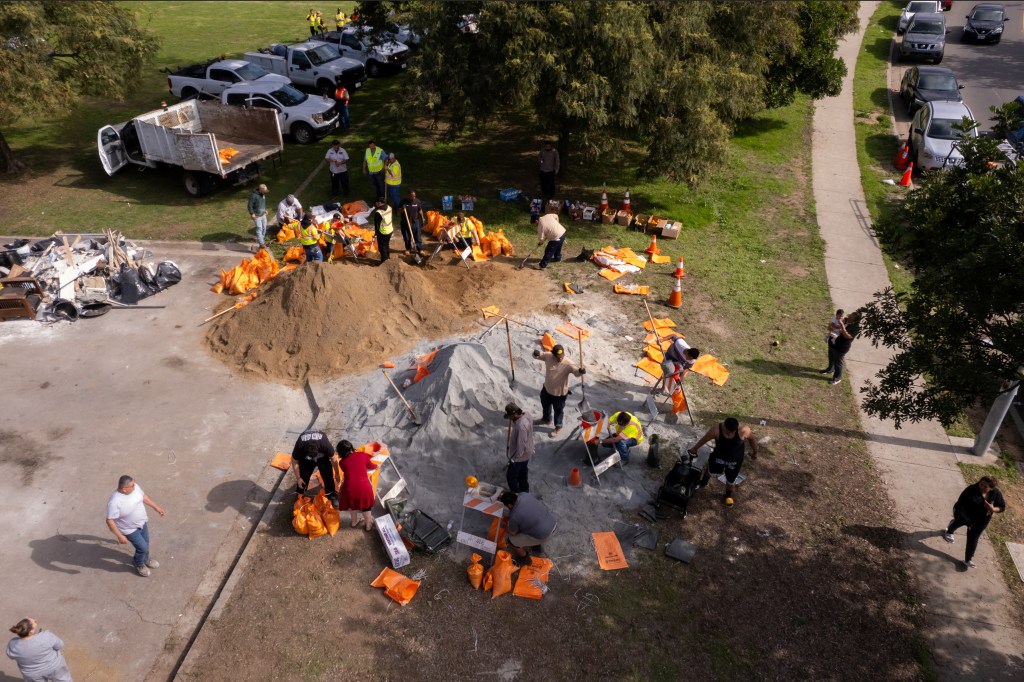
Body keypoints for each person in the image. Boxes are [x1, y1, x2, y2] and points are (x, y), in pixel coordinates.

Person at [688, 417, 758, 506]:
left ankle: (728, 495)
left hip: (734, 461)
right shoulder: (716, 430)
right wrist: (694, 449)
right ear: (724, 426)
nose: (729, 434)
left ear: (736, 429)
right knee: (710, 471)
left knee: (731, 479)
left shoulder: (744, 430)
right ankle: (703, 482)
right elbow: (705, 439)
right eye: (727, 432)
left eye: (731, 432)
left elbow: (752, 439)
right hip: (718, 457)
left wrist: (755, 452)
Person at [105, 475, 165, 577]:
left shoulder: (135, 488)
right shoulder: (115, 502)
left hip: (142, 523)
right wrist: (119, 536)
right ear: (124, 489)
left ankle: (145, 559)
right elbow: (109, 520)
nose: (135, 486)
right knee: (143, 548)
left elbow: (143, 497)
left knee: (146, 544)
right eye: (132, 486)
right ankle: (139, 563)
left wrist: (156, 507)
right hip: (129, 529)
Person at [943, 476, 1006, 569]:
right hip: (963, 514)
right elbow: (960, 505)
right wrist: (967, 521)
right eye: (981, 484)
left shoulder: (996, 493)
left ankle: (968, 559)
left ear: (991, 488)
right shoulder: (971, 490)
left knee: (973, 537)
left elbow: (1002, 507)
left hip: (982, 520)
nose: (982, 487)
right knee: (958, 523)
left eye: (985, 487)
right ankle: (949, 531)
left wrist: (993, 509)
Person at [531, 344, 584, 438]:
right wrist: (536, 354)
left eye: (561, 356)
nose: (560, 358)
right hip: (547, 389)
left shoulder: (568, 363)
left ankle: (558, 426)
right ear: (553, 354)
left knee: (558, 411)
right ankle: (546, 419)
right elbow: (538, 356)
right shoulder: (548, 356)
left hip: (559, 394)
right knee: (545, 405)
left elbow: (576, 372)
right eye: (558, 357)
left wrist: (580, 371)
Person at [499, 491, 555, 566]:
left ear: (509, 505)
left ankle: (525, 559)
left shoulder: (514, 516)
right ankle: (537, 547)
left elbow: (513, 532)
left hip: (544, 535)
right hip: (552, 523)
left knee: (511, 541)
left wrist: (504, 525)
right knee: (528, 524)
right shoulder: (524, 495)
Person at [6, 618, 72, 682]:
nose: (35, 620)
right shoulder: (46, 636)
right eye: (34, 621)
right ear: (31, 631)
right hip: (55, 667)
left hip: (32, 674)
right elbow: (60, 645)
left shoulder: (12, 644)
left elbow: (10, 656)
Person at [291, 428, 339, 508]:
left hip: (322, 456)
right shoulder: (300, 445)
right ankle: (299, 494)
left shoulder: (324, 444)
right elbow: (294, 461)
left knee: (327, 475)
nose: (314, 459)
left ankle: (331, 494)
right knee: (304, 475)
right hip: (307, 459)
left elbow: (334, 459)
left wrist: (337, 474)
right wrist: (298, 478)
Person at [336, 440, 377, 531]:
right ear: (351, 447)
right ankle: (368, 524)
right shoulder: (362, 455)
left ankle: (354, 521)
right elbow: (371, 466)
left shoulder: (342, 462)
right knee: (366, 506)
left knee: (352, 505)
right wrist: (376, 466)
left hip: (349, 489)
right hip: (364, 487)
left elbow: (348, 469)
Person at [504, 402, 535, 494]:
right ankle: (525, 491)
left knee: (511, 476)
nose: (510, 418)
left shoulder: (521, 426)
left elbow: (521, 446)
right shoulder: (527, 415)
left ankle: (516, 493)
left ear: (514, 414)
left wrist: (514, 459)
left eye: (510, 416)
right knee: (523, 472)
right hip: (527, 452)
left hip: (520, 456)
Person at [824, 311, 861, 385]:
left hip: (842, 346)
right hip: (835, 341)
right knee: (831, 356)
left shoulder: (856, 328)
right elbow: (836, 324)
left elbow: (848, 336)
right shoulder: (846, 320)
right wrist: (832, 325)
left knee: (838, 362)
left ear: (855, 320)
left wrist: (842, 326)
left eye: (851, 317)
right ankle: (830, 369)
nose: (849, 317)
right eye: (850, 315)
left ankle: (837, 378)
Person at [398, 191, 425, 255]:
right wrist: (402, 209)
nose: (414, 197)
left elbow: (420, 210)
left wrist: (423, 217)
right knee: (407, 237)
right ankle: (408, 249)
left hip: (415, 222)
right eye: (412, 196)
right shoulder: (403, 202)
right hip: (405, 222)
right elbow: (398, 212)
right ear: (408, 196)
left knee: (417, 236)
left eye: (414, 196)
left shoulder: (417, 201)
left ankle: (420, 249)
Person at [369, 199, 394, 263]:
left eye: (377, 202)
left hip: (383, 232)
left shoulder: (378, 212)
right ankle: (388, 258)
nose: (376, 203)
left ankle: (384, 261)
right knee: (387, 245)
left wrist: (376, 233)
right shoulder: (389, 207)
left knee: (382, 247)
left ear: (380, 203)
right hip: (390, 229)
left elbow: (377, 225)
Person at [247, 183, 269, 248]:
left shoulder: (263, 195)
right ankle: (262, 243)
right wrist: (252, 213)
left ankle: (261, 241)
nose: (265, 192)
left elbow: (262, 204)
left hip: (263, 214)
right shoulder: (254, 196)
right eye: (264, 191)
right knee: (259, 228)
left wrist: (265, 210)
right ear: (261, 190)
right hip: (257, 216)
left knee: (264, 228)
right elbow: (249, 206)